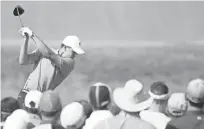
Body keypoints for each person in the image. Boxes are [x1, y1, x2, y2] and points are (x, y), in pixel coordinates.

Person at [17, 27, 85, 105]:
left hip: (40, 99)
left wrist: (32, 35)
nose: (74, 55)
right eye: (74, 52)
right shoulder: (44, 51)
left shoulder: (70, 63)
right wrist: (26, 39)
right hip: (25, 94)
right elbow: (23, 61)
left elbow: (49, 54)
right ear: (65, 47)